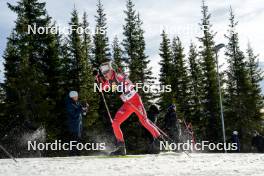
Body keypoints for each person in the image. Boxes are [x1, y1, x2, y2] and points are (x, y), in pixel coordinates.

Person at [95, 62, 161, 155]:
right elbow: (103, 88)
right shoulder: (110, 80)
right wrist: (98, 79)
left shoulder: (118, 76)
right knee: (115, 123)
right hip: (127, 104)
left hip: (135, 100)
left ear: (111, 70)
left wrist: (121, 87)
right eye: (104, 73)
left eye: (107, 72)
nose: (105, 75)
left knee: (144, 121)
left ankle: (159, 139)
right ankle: (121, 148)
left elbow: (127, 82)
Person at [66, 91, 88, 156]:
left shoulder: (77, 103)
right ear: (72, 97)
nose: (77, 97)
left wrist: (85, 108)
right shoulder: (69, 104)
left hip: (78, 125)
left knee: (78, 139)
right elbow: (74, 114)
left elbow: (83, 113)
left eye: (77, 96)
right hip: (73, 125)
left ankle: (78, 154)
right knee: (74, 140)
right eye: (76, 96)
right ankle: (72, 154)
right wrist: (81, 109)